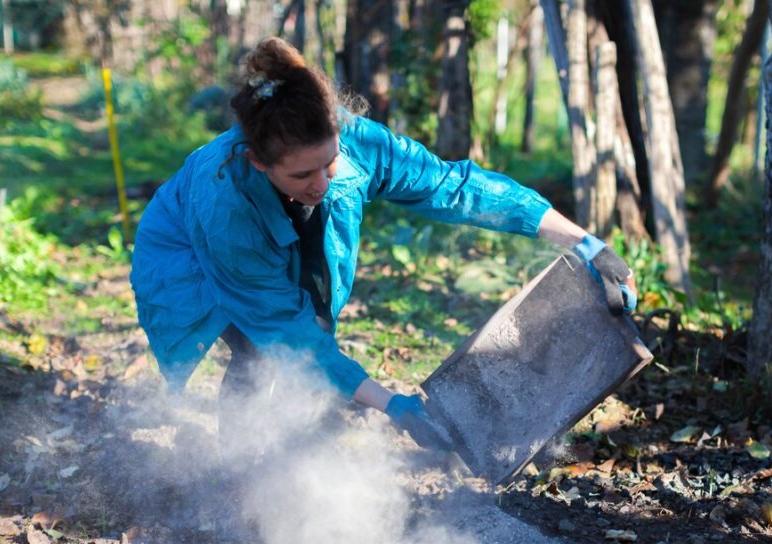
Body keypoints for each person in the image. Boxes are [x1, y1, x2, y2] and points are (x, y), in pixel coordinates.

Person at [131, 37, 636, 454]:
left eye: (329, 163)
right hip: (186, 252)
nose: (321, 183)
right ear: (262, 164)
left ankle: (308, 430)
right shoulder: (225, 210)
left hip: (268, 222)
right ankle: (240, 469)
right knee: (260, 350)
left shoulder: (357, 141)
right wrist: (393, 404)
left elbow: (453, 186)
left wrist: (587, 244)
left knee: (317, 319)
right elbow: (287, 333)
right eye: (302, 174)